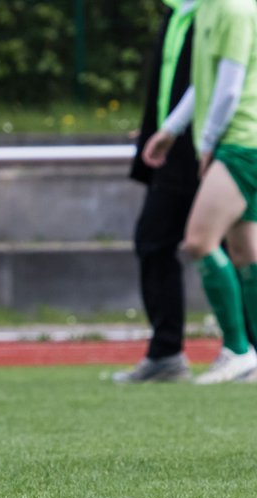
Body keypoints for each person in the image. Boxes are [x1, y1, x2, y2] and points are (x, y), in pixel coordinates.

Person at [144, 0, 257, 383]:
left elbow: (229, 86)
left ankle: (239, 351)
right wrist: (171, 130)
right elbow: (203, 83)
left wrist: (207, 142)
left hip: (242, 143)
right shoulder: (206, 9)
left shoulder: (233, 9)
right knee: (244, 251)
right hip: (236, 142)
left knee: (198, 241)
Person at [117, 0, 200, 383]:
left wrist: (172, 130)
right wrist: (158, 127)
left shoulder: (221, 11)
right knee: (158, 240)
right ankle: (168, 351)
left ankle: (243, 349)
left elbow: (217, 83)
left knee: (229, 246)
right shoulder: (177, 12)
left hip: (208, 145)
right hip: (177, 146)